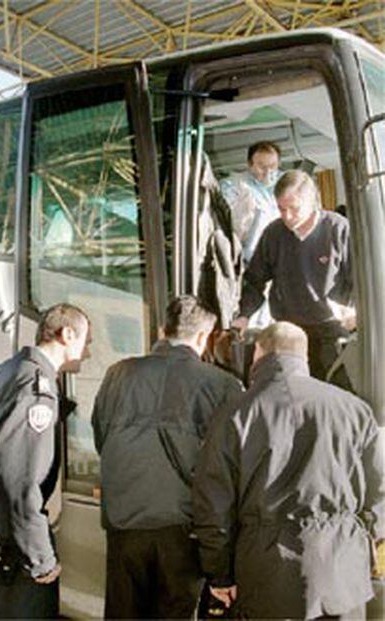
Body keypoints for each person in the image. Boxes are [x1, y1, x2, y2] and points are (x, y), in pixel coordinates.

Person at [193, 321, 385, 621]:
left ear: (258, 354)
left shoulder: (234, 415)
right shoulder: (355, 410)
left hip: (266, 573)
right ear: (304, 357)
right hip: (342, 572)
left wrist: (220, 575)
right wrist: (369, 541)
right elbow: (379, 490)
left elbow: (213, 505)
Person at [91, 295, 244, 620]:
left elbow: (100, 438)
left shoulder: (117, 373)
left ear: (163, 330)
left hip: (123, 523)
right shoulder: (221, 384)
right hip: (182, 529)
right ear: (204, 337)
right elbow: (230, 466)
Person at [0, 303, 91, 619]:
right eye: (86, 341)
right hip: (13, 545)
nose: (88, 351)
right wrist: (40, 557)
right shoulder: (36, 386)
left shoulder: (5, 372)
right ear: (67, 334)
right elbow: (17, 478)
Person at [233, 169, 355, 380]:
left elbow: (359, 278)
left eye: (294, 209)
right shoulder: (274, 233)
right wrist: (243, 315)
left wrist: (355, 310)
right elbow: (255, 280)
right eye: (281, 209)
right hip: (289, 330)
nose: (287, 216)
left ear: (313, 202)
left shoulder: (338, 229)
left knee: (332, 387)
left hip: (331, 328)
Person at [221, 141, 281, 264]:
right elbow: (227, 224)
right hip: (247, 259)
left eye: (273, 166)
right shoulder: (233, 186)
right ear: (250, 164)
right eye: (262, 166)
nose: (268, 172)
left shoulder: (285, 184)